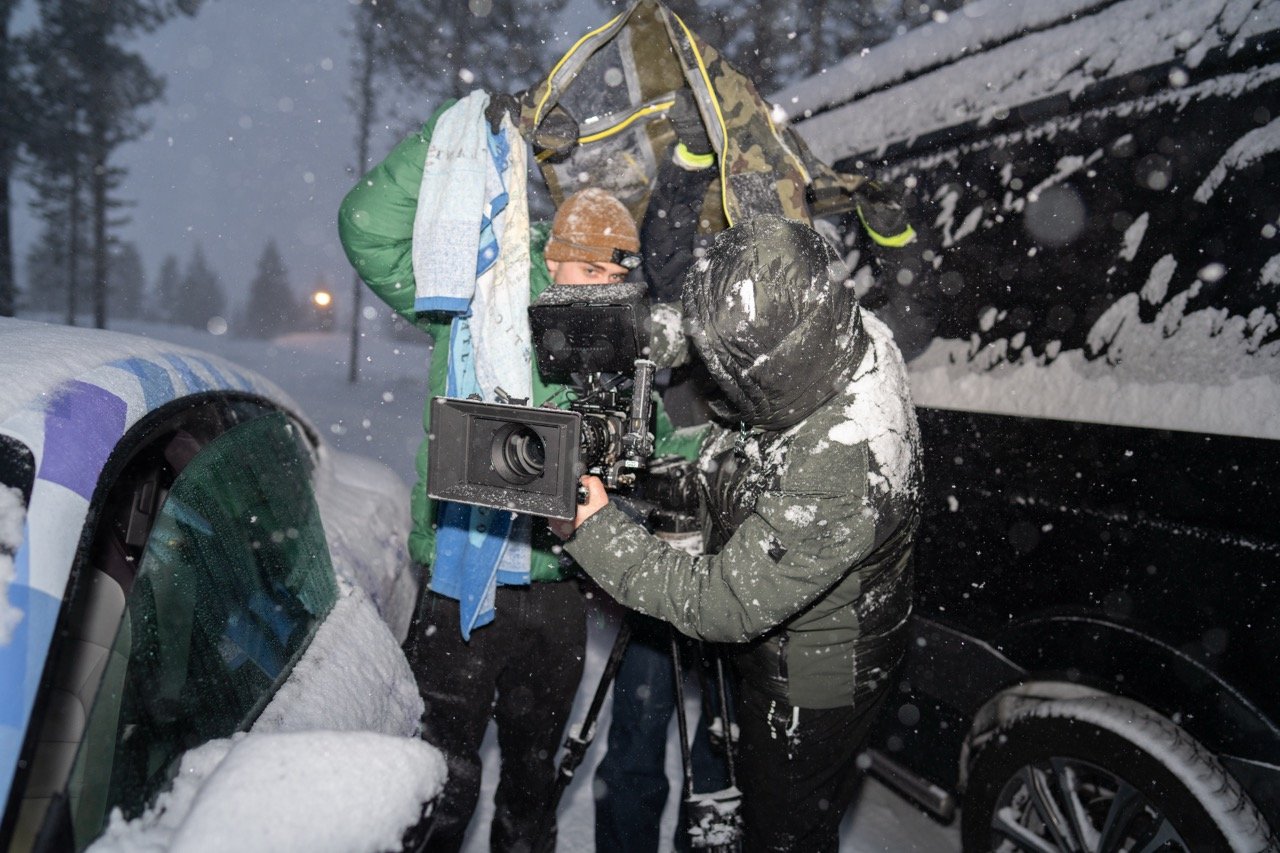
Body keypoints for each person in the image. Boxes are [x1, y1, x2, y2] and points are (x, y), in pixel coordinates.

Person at [337, 94, 701, 852]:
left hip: (558, 588)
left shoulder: (620, 338)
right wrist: (449, 131)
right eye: (588, 267)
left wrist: (711, 462)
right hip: (461, 576)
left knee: (533, 786)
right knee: (438, 778)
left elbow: (658, 444)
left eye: (615, 273)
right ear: (554, 250)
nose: (598, 285)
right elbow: (365, 230)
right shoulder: (479, 292)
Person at [553, 214, 923, 852]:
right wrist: (642, 333)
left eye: (734, 371)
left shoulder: (843, 457)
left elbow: (721, 605)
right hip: (798, 610)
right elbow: (748, 323)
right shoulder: (838, 328)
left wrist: (594, 530)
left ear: (776, 362)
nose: (720, 384)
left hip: (810, 675)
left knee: (781, 826)